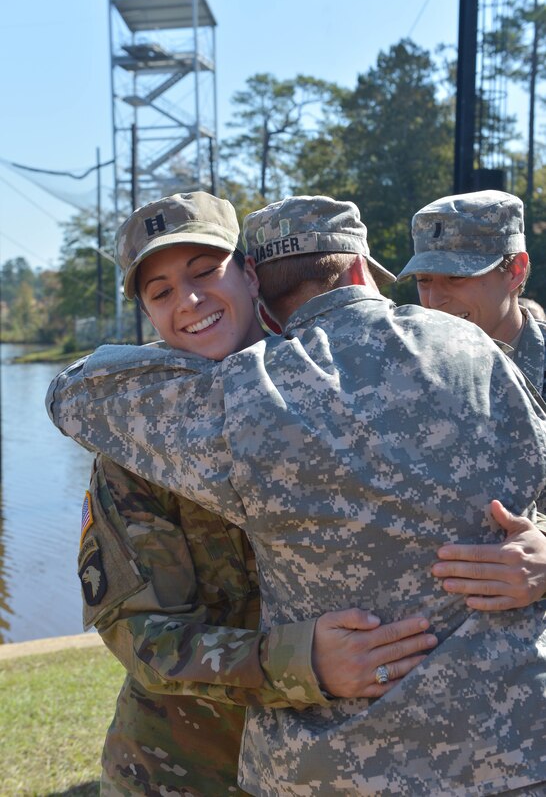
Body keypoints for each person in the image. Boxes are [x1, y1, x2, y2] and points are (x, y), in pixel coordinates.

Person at [48, 195, 546, 795]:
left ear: (251, 273)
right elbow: (140, 634)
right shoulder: (139, 435)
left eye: (206, 272)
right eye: (160, 292)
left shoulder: (372, 380)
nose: (189, 300)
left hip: (340, 761)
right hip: (188, 760)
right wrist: (298, 661)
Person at [397, 189, 546, 604]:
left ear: (515, 271)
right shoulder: (401, 374)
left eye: (458, 277)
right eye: (424, 281)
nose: (436, 300)